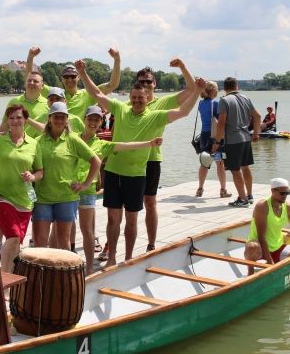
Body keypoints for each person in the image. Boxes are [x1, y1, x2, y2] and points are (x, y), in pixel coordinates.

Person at [77, 59, 202, 266]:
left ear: (147, 98)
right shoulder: (120, 108)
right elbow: (97, 94)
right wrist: (82, 72)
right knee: (112, 219)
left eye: (140, 98)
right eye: (134, 97)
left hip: (136, 175)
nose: (136, 101)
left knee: (132, 220)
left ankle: (128, 259)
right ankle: (113, 258)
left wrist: (197, 91)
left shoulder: (156, 116)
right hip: (115, 171)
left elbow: (183, 112)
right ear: (129, 98)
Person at [77, 105, 163, 274]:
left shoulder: (102, 144)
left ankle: (117, 260)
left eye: (97, 119)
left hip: (87, 190)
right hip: (68, 189)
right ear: (84, 120)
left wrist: (149, 143)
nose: (93, 122)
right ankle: (69, 263)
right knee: (69, 227)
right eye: (90, 118)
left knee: (90, 229)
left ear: (101, 123)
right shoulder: (73, 138)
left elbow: (125, 145)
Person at [134, 62, 201, 252]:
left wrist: (182, 66)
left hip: (152, 158)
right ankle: (110, 243)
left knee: (150, 202)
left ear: (154, 83)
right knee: (126, 205)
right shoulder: (132, 101)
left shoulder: (163, 102)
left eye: (148, 81)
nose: (145, 85)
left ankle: (151, 244)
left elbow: (191, 88)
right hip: (130, 158)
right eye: (141, 82)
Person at [0, 105, 43, 273]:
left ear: (25, 120)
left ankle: (11, 279)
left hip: (25, 200)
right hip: (0, 198)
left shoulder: (33, 144)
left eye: (19, 117)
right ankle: (3, 280)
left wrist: (33, 176)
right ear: (7, 120)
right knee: (14, 237)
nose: (15, 120)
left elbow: (40, 172)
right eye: (11, 117)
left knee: (16, 242)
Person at [32, 102, 101, 251]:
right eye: (56, 117)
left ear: (67, 120)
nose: (59, 120)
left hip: (66, 198)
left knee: (64, 242)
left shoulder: (73, 139)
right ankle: (42, 274)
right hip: (42, 198)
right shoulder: (38, 141)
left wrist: (85, 185)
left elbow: (96, 161)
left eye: (63, 117)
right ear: (49, 118)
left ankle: (63, 274)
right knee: (40, 242)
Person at [25, 46, 121, 118]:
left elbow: (112, 85)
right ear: (61, 79)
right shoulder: (54, 93)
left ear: (78, 77)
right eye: (66, 76)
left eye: (73, 76)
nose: (69, 79)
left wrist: (117, 60)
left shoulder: (87, 94)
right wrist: (30, 57)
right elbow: (30, 81)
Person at [212, 77, 261, 208]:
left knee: (235, 170)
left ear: (224, 88)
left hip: (233, 140)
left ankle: (242, 199)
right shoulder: (246, 98)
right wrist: (256, 133)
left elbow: (221, 122)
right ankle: (249, 195)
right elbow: (258, 116)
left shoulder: (224, 100)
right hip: (246, 138)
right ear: (237, 86)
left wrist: (217, 141)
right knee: (246, 166)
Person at [195, 81, 232, 198]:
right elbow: (221, 122)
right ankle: (223, 190)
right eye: (217, 88)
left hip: (204, 135)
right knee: (219, 163)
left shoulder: (200, 103)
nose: (218, 90)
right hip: (214, 135)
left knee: (204, 163)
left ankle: (200, 189)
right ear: (213, 90)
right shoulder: (216, 103)